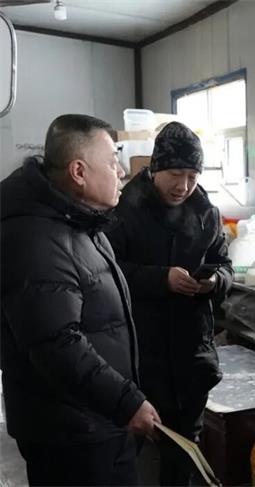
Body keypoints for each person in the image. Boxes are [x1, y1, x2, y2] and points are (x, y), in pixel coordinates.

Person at [0, 114, 161, 486]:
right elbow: (57, 344)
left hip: (96, 419)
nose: (122, 171)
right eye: (112, 160)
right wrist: (125, 402)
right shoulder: (35, 237)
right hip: (70, 434)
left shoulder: (79, 221)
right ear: (78, 171)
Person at [106, 121, 233, 485]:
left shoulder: (206, 212)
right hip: (140, 356)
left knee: (183, 449)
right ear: (156, 168)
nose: (184, 185)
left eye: (192, 176)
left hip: (191, 353)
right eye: (176, 174)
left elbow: (224, 264)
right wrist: (161, 278)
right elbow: (106, 272)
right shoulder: (124, 209)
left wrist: (214, 281)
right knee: (127, 451)